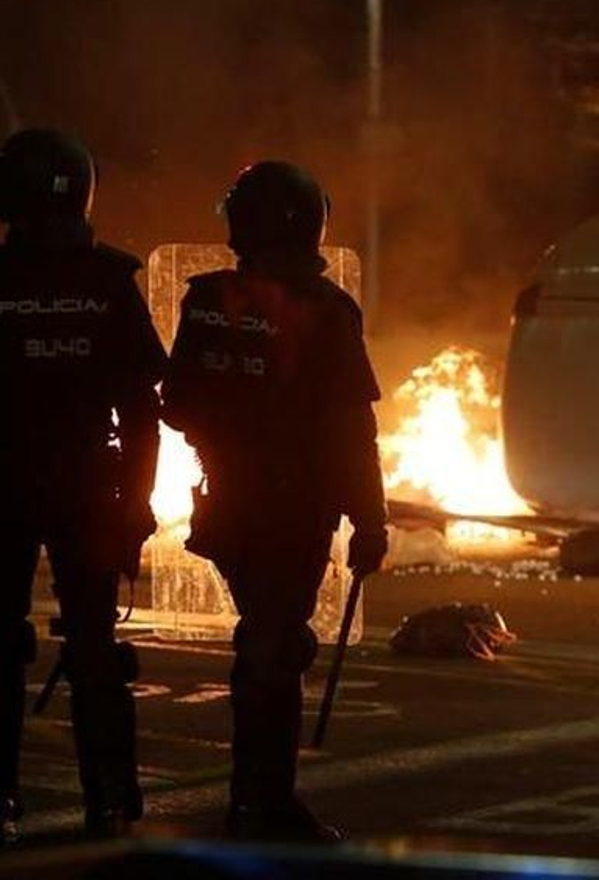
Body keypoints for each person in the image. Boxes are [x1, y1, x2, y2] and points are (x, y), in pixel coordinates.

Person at [0, 128, 164, 846]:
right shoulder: (110, 280)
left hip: (0, 482)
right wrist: (136, 502)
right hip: (89, 485)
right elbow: (145, 405)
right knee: (94, 645)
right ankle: (108, 796)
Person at [161, 160, 389, 841]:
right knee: (274, 647)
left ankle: (251, 797)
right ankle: (266, 802)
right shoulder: (326, 311)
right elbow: (352, 427)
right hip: (293, 509)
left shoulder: (205, 297)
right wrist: (370, 518)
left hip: (227, 501)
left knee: (265, 641)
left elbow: (176, 403)